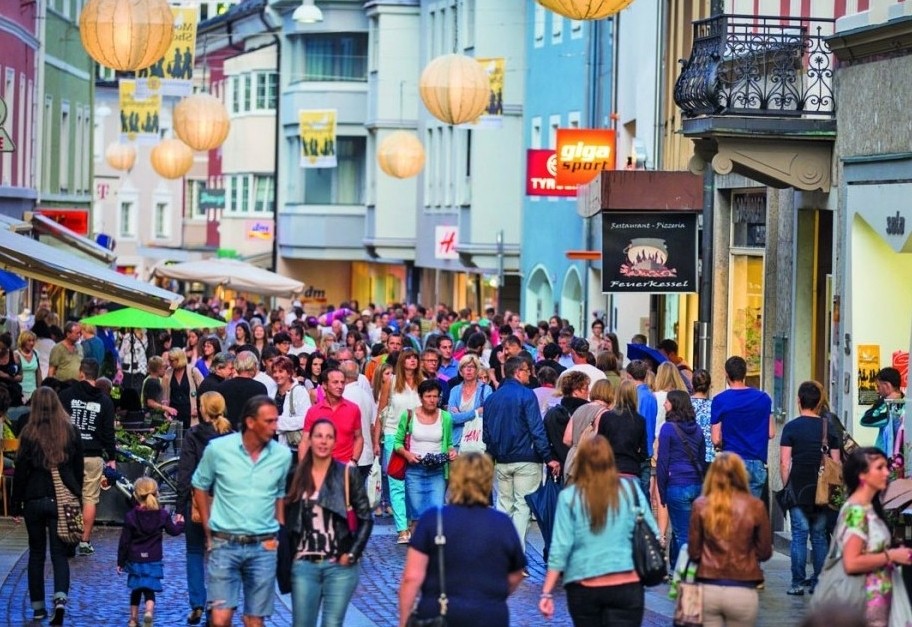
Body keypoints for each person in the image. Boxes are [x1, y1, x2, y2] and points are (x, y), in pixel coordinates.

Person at [192, 396, 292, 627]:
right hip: (225, 543)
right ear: (250, 422)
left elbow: (279, 495)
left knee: (254, 619)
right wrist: (207, 528)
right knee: (220, 618)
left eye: (275, 421)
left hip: (263, 545)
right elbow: (199, 483)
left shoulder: (282, 456)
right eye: (268, 421)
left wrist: (279, 535)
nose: (274, 427)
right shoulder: (219, 449)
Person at [539, 436, 659, 626]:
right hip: (626, 584)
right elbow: (653, 532)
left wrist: (547, 591)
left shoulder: (570, 497)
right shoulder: (631, 490)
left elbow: (560, 548)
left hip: (585, 585)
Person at [399, 453, 525, 627]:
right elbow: (517, 573)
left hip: (440, 613)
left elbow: (411, 577)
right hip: (489, 615)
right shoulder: (502, 523)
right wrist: (495, 593)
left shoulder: (432, 520)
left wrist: (404, 620)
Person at [284, 419, 374, 627]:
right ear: (309, 440)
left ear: (335, 442)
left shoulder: (346, 473)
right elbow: (285, 518)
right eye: (318, 436)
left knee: (332, 624)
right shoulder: (295, 475)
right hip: (305, 563)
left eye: (329, 437)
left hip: (339, 564)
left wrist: (352, 552)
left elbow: (365, 517)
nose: (323, 441)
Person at [11, 387, 84, 624]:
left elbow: (20, 472)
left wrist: (15, 505)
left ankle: (38, 608)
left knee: (36, 554)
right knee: (59, 555)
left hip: (33, 499)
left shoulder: (29, 434)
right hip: (60, 500)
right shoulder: (70, 431)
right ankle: (60, 601)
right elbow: (78, 469)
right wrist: (77, 495)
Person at [483, 356, 560, 553]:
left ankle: (500, 553)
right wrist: (548, 457)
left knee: (504, 505)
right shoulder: (526, 395)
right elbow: (536, 429)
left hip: (502, 459)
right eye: (527, 371)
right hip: (526, 458)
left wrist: (494, 453)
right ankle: (515, 555)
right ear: (518, 372)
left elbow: (487, 434)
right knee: (523, 507)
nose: (530, 374)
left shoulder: (492, 398)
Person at [688, 452, 773, 627]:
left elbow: (694, 552)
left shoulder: (701, 505)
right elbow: (765, 552)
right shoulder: (755, 506)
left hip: (708, 588)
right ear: (741, 474)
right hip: (742, 589)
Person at [830, 447, 912, 626]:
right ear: (862, 475)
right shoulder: (856, 512)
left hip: (877, 597)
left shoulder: (869, 508)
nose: (887, 472)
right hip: (865, 600)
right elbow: (851, 563)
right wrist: (891, 556)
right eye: (880, 468)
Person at [780, 381, 843, 596]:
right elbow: (836, 464)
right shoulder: (829, 428)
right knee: (818, 537)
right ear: (819, 402)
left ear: (799, 401)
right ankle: (819, 582)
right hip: (822, 491)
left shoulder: (791, 427)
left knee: (798, 536)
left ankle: (797, 583)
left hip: (798, 487)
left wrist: (787, 485)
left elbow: (784, 463)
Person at [175, 391, 233, 626]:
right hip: (224, 502)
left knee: (194, 552)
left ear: (202, 409)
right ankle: (215, 604)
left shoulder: (193, 434)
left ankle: (197, 603)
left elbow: (185, 471)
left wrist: (180, 505)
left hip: (197, 502)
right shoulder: (232, 435)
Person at [57, 357, 116, 556]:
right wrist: (112, 458)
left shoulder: (65, 396)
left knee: (69, 496)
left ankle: (68, 537)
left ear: (81, 373)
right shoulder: (105, 401)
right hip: (93, 454)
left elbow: (59, 425)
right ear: (96, 375)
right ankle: (84, 541)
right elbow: (109, 433)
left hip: (69, 453)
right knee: (90, 498)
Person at [117, 477, 185, 627]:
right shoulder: (162, 515)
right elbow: (173, 531)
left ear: (136, 495)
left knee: (136, 590)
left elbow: (124, 542)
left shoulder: (131, 516)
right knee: (149, 590)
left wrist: (120, 562)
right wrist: (180, 523)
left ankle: (133, 619)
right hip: (153, 559)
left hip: (134, 559)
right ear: (156, 494)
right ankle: (148, 612)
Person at [711, 356, 775, 499]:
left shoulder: (720, 400)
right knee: (749, 513)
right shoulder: (763, 398)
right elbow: (771, 432)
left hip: (732, 461)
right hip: (756, 462)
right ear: (744, 373)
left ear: (727, 374)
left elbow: (715, 439)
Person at [394, 379, 456, 527]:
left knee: (436, 513)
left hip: (437, 470)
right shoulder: (409, 415)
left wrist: (452, 452)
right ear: (421, 397)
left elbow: (449, 444)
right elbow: (397, 442)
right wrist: (408, 455)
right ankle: (416, 547)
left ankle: (433, 548)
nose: (432, 400)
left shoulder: (445, 417)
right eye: (428, 396)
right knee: (417, 515)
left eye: (435, 396)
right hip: (415, 470)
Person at [656, 390, 707, 564]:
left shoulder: (667, 429)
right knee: (689, 531)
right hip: (695, 484)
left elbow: (663, 462)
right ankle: (676, 567)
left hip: (677, 485)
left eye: (667, 402)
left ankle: (686, 570)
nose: (664, 405)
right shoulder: (698, 429)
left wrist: (662, 492)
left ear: (675, 405)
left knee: (681, 533)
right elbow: (701, 458)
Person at [379, 348, 423, 543]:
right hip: (392, 434)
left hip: (417, 437)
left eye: (415, 358)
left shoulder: (423, 383)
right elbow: (381, 411)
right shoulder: (392, 381)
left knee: (414, 483)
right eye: (409, 358)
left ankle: (414, 523)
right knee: (396, 482)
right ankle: (402, 529)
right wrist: (375, 440)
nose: (412, 361)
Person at [300, 366, 364, 465]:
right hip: (319, 466)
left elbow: (359, 437)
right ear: (325, 385)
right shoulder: (313, 411)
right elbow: (305, 441)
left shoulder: (353, 409)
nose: (340, 386)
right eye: (335, 382)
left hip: (344, 467)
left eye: (342, 382)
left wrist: (353, 461)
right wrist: (303, 468)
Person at [543, 371, 591, 470]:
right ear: (575, 391)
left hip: (557, 467)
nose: (588, 392)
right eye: (585, 389)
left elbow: (545, 439)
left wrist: (550, 459)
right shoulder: (587, 413)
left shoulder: (552, 413)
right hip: (582, 468)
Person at [446, 354, 493, 448]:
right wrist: (476, 412)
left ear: (477, 370)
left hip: (478, 441)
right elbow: (452, 418)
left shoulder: (486, 389)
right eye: (464, 366)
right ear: (460, 371)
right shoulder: (455, 390)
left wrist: (461, 414)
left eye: (471, 366)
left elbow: (487, 416)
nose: (468, 369)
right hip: (457, 442)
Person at [217, 351, 268, 430]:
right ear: (253, 365)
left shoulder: (222, 386)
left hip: (227, 433)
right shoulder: (260, 388)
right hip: (251, 433)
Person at [273, 355, 312, 448]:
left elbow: (306, 419)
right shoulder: (272, 390)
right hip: (273, 445)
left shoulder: (300, 391)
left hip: (293, 447)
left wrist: (278, 423)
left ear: (290, 373)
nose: (277, 375)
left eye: (281, 371)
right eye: (274, 372)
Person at [162, 348, 202, 432]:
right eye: (169, 360)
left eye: (172, 361)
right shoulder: (168, 372)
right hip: (174, 411)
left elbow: (204, 389)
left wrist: (198, 408)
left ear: (179, 359)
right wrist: (166, 409)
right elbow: (165, 393)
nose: (170, 363)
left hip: (190, 411)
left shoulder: (193, 371)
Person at [142, 356, 178, 424]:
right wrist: (167, 408)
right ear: (158, 369)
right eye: (164, 368)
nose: (165, 370)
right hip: (152, 418)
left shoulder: (156, 380)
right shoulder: (153, 383)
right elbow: (150, 402)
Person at [691, 368, 715, 463]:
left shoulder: (685, 404)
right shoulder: (714, 406)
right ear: (709, 386)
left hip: (689, 455)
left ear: (692, 385)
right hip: (709, 455)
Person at [15, 330, 43, 404]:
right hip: (20, 391)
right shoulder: (16, 354)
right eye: (29, 340)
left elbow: (38, 372)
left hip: (33, 390)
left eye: (33, 340)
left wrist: (40, 389)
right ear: (23, 341)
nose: (32, 343)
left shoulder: (36, 353)